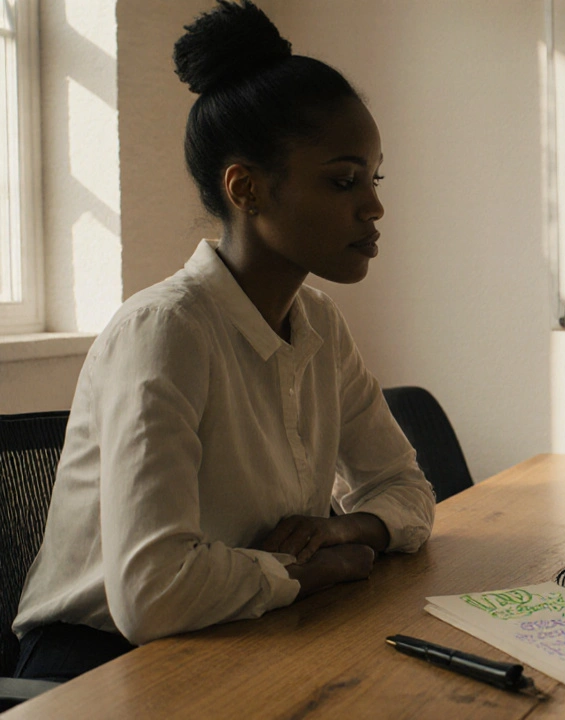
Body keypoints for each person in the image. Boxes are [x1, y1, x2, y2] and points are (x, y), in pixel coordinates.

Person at [12, 0, 435, 680]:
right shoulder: (165, 332)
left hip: (246, 629)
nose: (374, 205)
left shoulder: (319, 322)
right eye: (343, 181)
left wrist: (346, 527)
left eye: (374, 178)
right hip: (94, 667)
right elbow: (151, 594)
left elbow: (405, 488)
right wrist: (315, 569)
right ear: (247, 189)